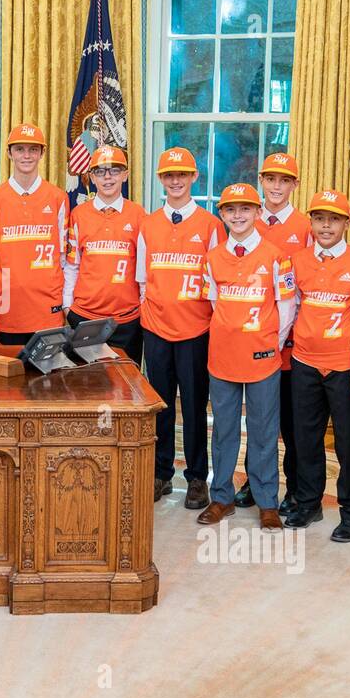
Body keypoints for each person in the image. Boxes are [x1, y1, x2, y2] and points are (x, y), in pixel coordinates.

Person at [197, 182, 296, 530]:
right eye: (230, 210)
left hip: (263, 358)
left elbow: (286, 308)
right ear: (222, 215)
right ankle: (221, 497)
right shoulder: (212, 258)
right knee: (223, 430)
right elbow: (214, 304)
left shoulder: (276, 256)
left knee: (264, 430)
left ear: (257, 212)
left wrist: (269, 342)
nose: (237, 216)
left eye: (245, 209)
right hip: (222, 357)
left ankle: (267, 501)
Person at [136, 146, 222, 508]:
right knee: (161, 405)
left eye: (182, 175)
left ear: (193, 178)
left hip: (196, 331)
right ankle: (161, 473)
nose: (175, 181)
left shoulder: (211, 225)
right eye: (169, 175)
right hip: (156, 329)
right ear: (161, 180)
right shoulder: (148, 224)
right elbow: (143, 280)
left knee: (194, 406)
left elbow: (218, 282)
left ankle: (198, 477)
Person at [286, 189, 350, 538]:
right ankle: (308, 502)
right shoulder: (297, 261)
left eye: (333, 219)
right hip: (304, 360)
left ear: (346, 224)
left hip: (344, 366)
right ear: (311, 222)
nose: (325, 226)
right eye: (319, 219)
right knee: (305, 438)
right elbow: (290, 306)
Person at [236, 151, 311, 513]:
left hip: (292, 344)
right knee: (260, 418)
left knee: (293, 423)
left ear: (295, 185)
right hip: (253, 341)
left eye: (285, 180)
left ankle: (295, 489)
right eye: (270, 179)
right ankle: (255, 481)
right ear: (261, 181)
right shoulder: (245, 220)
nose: (277, 186)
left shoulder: (307, 228)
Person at [0, 123, 70, 345]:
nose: (26, 156)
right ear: (9, 153)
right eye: (19, 149)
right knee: (9, 375)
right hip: (8, 307)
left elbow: (63, 256)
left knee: (49, 375)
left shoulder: (58, 198)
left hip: (48, 307)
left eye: (33, 149)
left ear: (42, 153)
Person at [63, 146, 147, 364]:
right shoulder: (78, 214)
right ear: (91, 177)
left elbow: (144, 268)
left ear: (125, 175)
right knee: (85, 387)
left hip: (127, 320)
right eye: (100, 171)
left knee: (126, 389)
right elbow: (72, 265)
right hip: (85, 318)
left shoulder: (139, 215)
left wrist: (143, 306)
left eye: (115, 170)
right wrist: (66, 306)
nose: (108, 177)